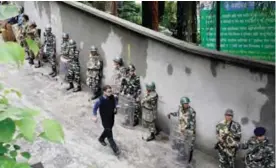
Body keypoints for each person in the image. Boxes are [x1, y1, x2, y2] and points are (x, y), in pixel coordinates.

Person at [92, 85, 120, 156]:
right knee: (109, 134)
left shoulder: (113, 97)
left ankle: (101, 139)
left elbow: (115, 101)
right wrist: (94, 116)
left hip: (111, 118)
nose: (110, 93)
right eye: (108, 92)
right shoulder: (100, 100)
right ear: (104, 92)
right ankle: (115, 149)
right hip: (105, 119)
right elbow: (95, 108)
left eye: (111, 91)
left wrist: (116, 107)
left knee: (108, 129)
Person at [167, 97, 196, 163]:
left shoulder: (192, 111)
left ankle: (185, 157)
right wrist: (171, 113)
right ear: (182, 104)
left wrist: (190, 132)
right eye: (185, 104)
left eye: (187, 103)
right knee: (180, 142)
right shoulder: (180, 108)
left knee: (186, 144)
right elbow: (177, 114)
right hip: (181, 129)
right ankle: (182, 155)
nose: (186, 105)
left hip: (187, 130)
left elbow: (192, 123)